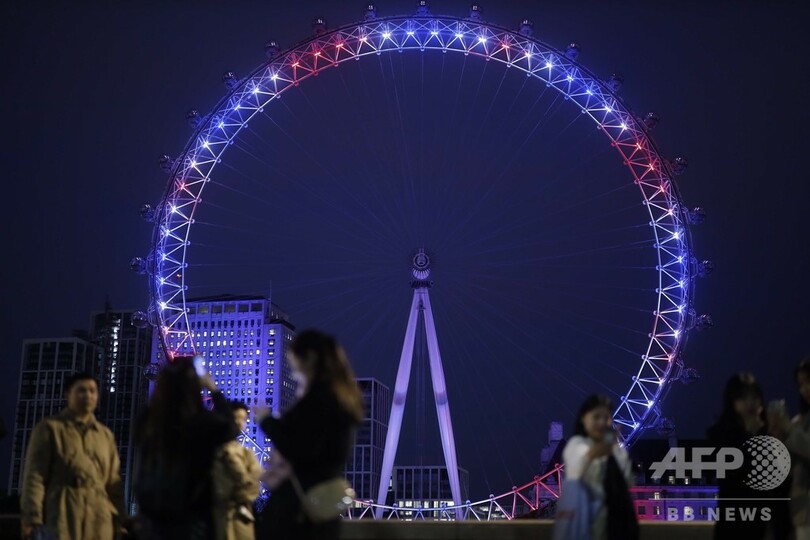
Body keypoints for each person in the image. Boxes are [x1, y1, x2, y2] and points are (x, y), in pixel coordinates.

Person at [254, 329, 363, 540]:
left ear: (310, 358)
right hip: (323, 504)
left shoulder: (319, 399)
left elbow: (300, 448)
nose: (293, 371)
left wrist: (266, 421)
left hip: (300, 507)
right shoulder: (344, 397)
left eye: (294, 362)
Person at [133, 356, 238, 540]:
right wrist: (213, 389)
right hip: (192, 518)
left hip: (154, 519)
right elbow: (229, 427)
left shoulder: (148, 421)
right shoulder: (201, 423)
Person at [20, 372, 124, 540]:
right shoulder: (50, 429)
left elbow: (113, 482)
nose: (88, 395)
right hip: (62, 511)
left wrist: (120, 521)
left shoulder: (105, 436)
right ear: (68, 394)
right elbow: (35, 476)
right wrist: (32, 517)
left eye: (92, 391)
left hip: (99, 516)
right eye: (81, 390)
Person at [707, 372, 791, 540]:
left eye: (754, 397)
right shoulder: (719, 433)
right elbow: (735, 473)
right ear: (732, 401)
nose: (750, 402)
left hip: (766, 521)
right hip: (735, 521)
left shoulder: (768, 431)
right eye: (743, 397)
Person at [554, 394, 635, 540]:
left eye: (606, 418)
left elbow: (628, 481)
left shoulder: (617, 451)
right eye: (596, 417)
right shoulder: (575, 446)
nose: (601, 423)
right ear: (584, 419)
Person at [771, 359, 810, 540]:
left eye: (809, 381)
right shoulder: (799, 422)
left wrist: (788, 428)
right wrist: (779, 439)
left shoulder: (795, 426)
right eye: (801, 384)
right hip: (802, 510)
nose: (805, 389)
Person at [212, 402, 263, 540]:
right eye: (236, 418)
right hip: (217, 519)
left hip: (240, 519)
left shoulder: (247, 454)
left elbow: (254, 485)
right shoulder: (212, 451)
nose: (240, 423)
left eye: (244, 419)